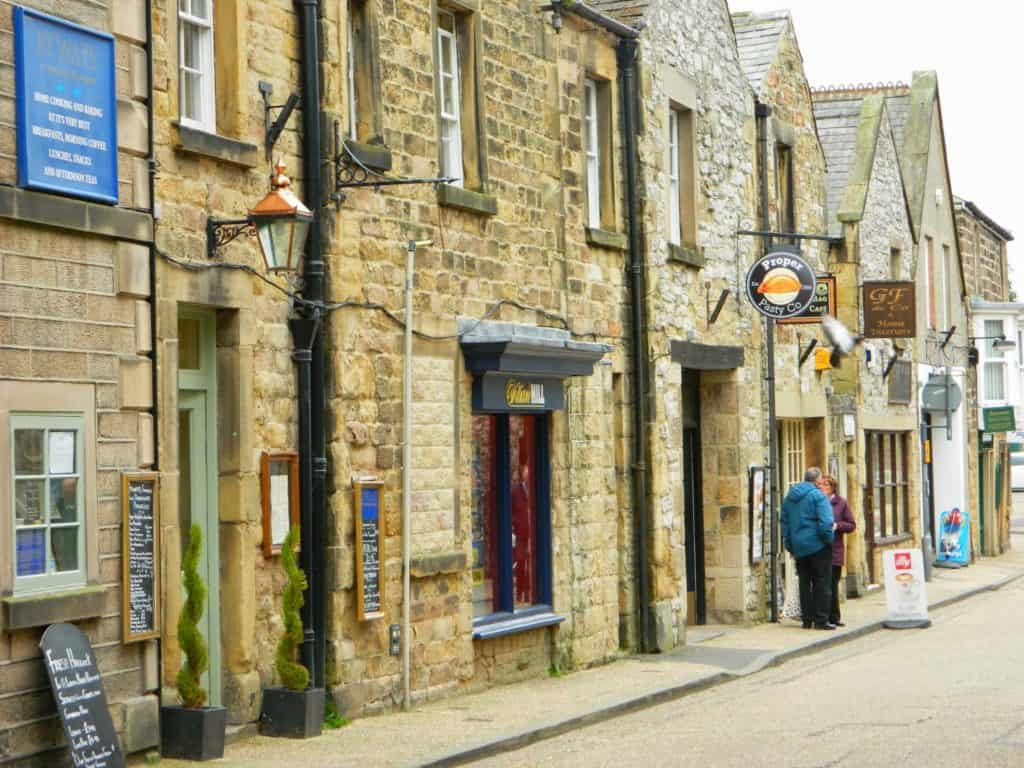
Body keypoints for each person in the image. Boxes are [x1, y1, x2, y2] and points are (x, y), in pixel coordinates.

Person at [781, 467, 835, 630]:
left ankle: (807, 620)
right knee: (822, 582)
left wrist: (790, 546)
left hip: (799, 547)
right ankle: (821, 620)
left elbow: (785, 523)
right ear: (818, 481)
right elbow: (826, 522)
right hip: (818, 545)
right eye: (821, 481)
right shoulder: (818, 496)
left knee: (804, 583)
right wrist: (828, 540)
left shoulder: (789, 497)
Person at [818, 475, 855, 627]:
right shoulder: (817, 502)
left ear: (833, 487)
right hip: (820, 550)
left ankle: (834, 617)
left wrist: (837, 526)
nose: (822, 487)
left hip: (835, 551)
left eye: (826, 485)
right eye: (821, 484)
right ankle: (823, 617)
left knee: (832, 584)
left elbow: (851, 525)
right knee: (823, 585)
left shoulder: (841, 503)